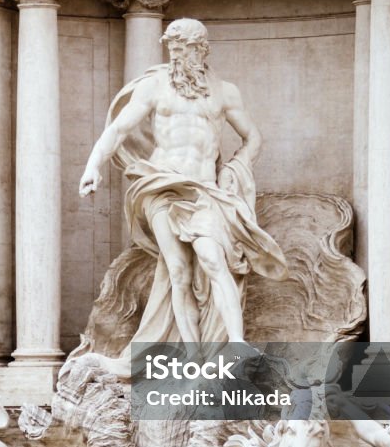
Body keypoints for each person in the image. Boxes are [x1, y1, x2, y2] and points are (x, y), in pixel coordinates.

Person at [78, 18, 287, 361]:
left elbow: (253, 138)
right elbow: (117, 130)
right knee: (178, 270)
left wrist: (236, 167)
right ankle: (194, 356)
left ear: (201, 49)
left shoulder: (225, 91)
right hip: (162, 185)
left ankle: (236, 341)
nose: (177, 55)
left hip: (204, 190)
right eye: (172, 49)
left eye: (184, 48)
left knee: (213, 258)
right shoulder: (155, 86)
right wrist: (92, 166)